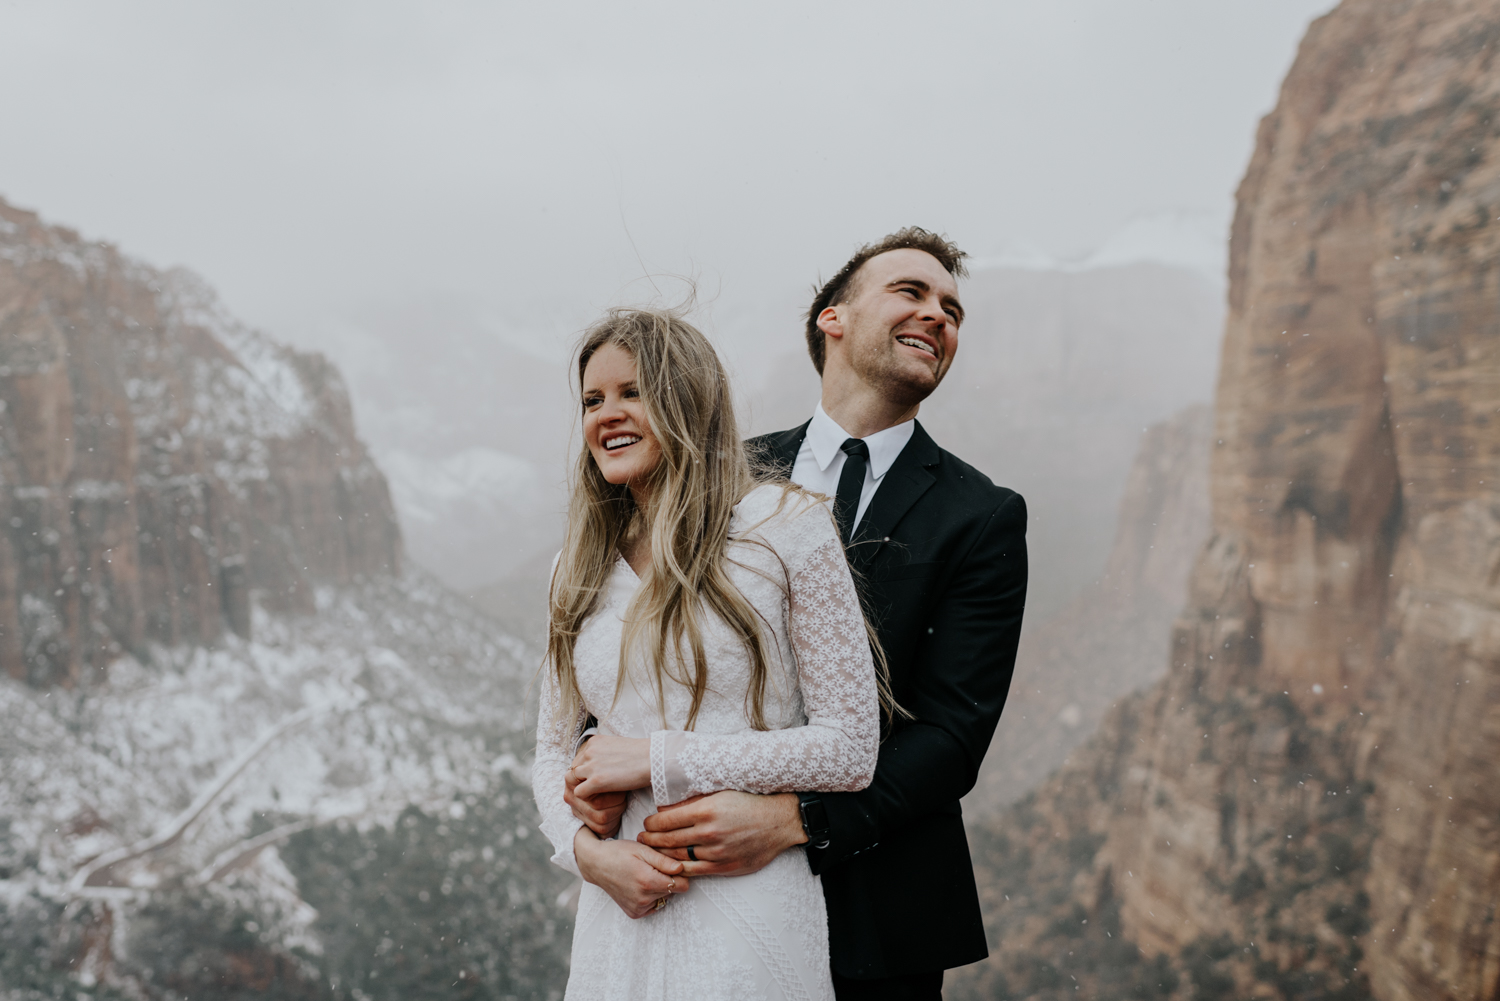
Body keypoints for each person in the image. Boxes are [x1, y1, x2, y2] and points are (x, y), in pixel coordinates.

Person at [626, 228, 1029, 999]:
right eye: (910, 292)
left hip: (882, 912)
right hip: (703, 890)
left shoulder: (981, 516)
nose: (939, 315)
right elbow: (632, 650)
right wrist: (597, 827)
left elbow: (952, 735)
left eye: (953, 308)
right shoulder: (719, 474)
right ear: (832, 319)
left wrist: (791, 821)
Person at [531, 307, 885, 1001]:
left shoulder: (789, 527)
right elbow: (550, 748)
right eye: (592, 400)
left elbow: (851, 746)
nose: (608, 414)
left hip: (747, 904)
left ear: (687, 397)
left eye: (633, 391)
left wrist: (656, 757)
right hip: (619, 917)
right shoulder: (575, 565)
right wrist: (589, 856)